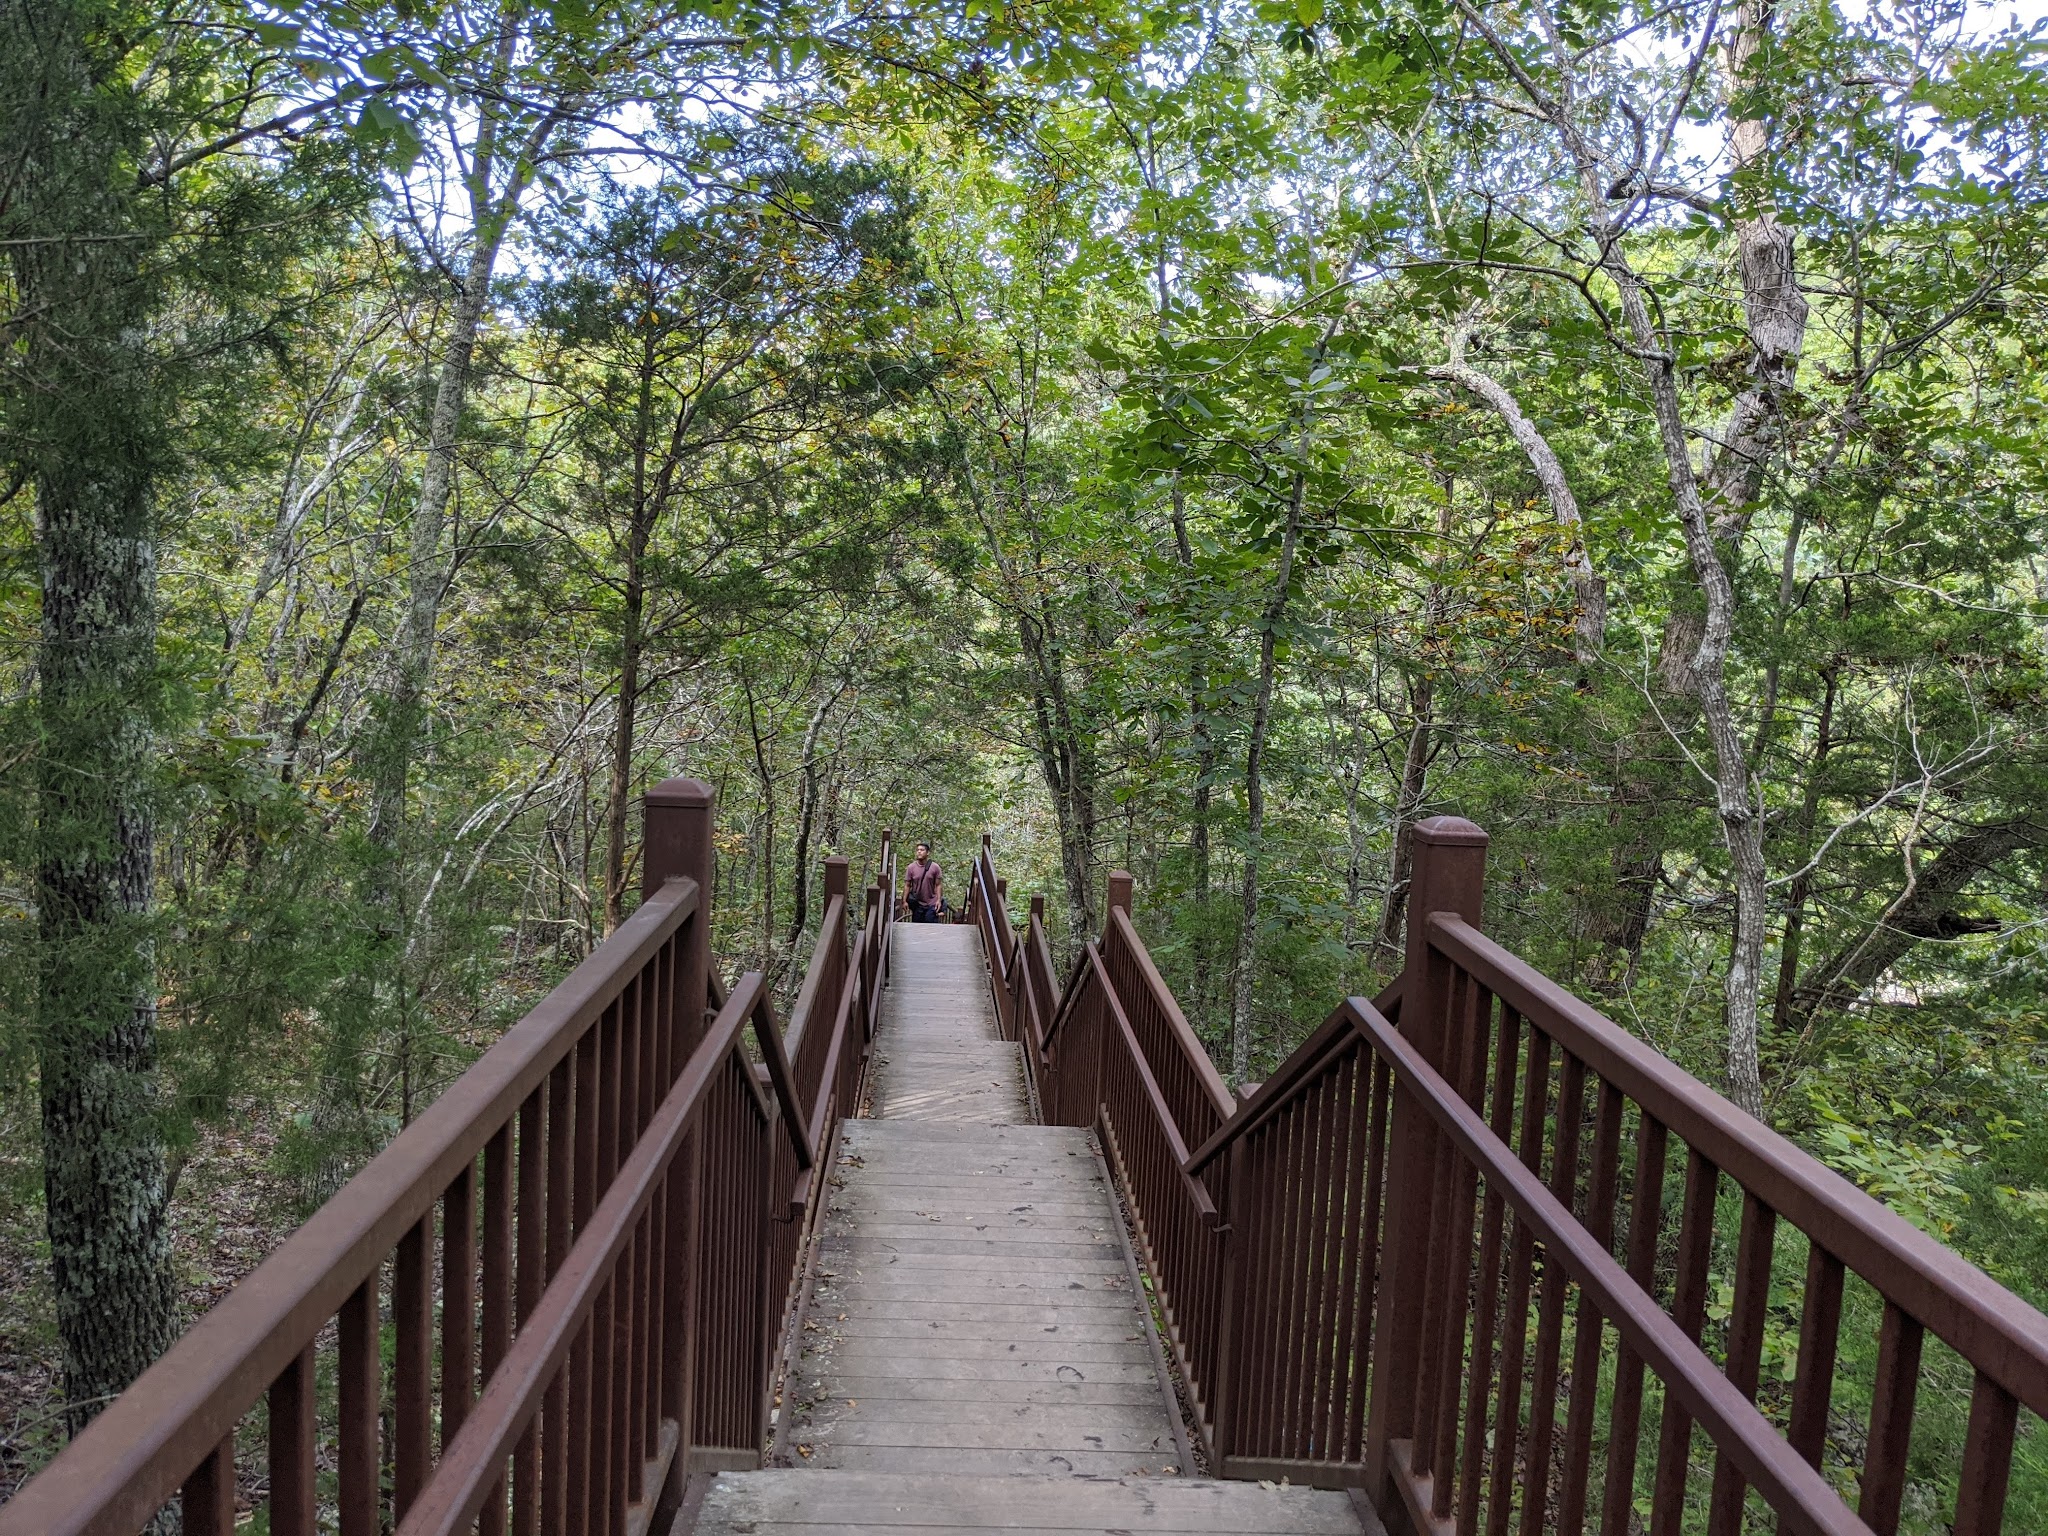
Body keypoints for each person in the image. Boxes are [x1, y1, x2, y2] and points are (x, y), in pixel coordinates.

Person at [904, 841, 943, 923]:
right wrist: (904, 901)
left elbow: (938, 885)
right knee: (917, 926)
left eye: (922, 850)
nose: (919, 852)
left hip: (932, 903)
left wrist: (938, 900)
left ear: (927, 853)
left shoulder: (935, 867)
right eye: (917, 850)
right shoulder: (911, 867)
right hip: (917, 903)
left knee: (930, 925)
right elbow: (907, 885)